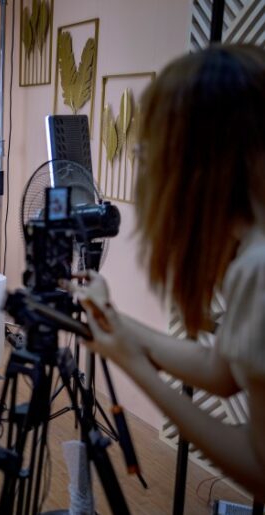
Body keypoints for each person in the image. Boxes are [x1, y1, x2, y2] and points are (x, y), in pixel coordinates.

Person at [68, 44, 265, 498]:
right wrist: (113, 319)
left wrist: (132, 363)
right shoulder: (250, 250)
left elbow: (260, 467)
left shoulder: (257, 267)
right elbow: (222, 372)